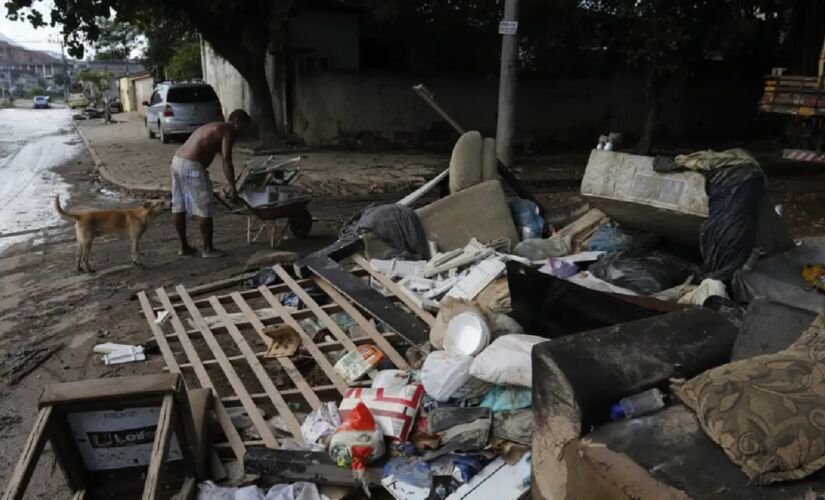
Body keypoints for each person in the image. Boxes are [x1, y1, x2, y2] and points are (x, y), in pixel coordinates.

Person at [170, 109, 251, 258]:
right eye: (246, 127)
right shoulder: (228, 131)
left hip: (177, 161)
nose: (247, 131)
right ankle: (208, 249)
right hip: (192, 166)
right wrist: (233, 188)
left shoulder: (216, 126)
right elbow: (226, 160)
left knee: (179, 205)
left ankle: (184, 247)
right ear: (237, 122)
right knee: (204, 206)